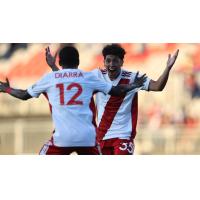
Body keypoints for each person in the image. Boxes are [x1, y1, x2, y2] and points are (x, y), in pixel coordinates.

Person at [0, 46, 146, 155]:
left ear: (60, 62)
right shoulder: (88, 77)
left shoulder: (50, 79)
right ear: (78, 61)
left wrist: (7, 89)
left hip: (62, 138)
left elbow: (24, 95)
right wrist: (134, 85)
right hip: (88, 138)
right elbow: (116, 90)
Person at [46, 44, 179, 155]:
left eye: (115, 60)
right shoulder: (96, 76)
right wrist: (53, 67)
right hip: (101, 137)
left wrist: (168, 68)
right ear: (104, 61)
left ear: (121, 62)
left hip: (123, 136)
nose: (111, 64)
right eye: (108, 60)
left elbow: (157, 86)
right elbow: (70, 81)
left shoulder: (133, 77)